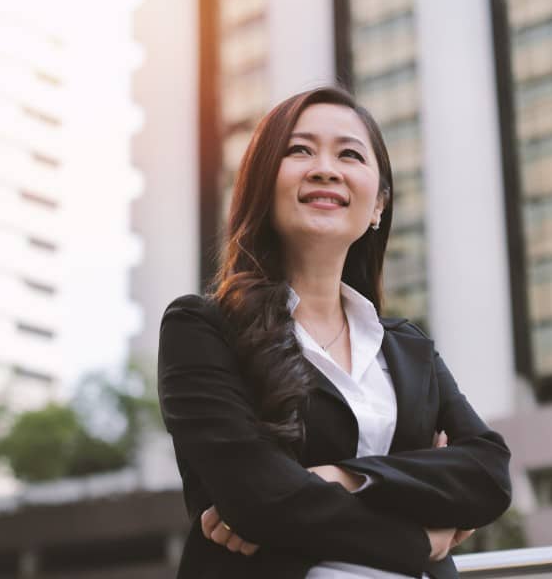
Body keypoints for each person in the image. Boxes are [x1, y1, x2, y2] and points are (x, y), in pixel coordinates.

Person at [156, 86, 512, 579]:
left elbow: (487, 473)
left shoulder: (408, 348)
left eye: (349, 154)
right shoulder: (202, 329)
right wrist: (418, 536)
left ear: (378, 206)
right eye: (300, 150)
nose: (326, 168)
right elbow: (260, 499)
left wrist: (342, 477)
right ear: (263, 184)